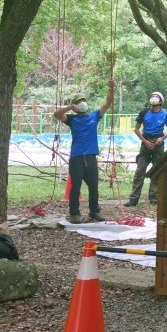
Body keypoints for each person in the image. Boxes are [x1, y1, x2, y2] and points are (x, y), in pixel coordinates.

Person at [53, 80, 115, 224]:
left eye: (83, 101)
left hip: (91, 156)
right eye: (78, 102)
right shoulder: (71, 119)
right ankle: (74, 213)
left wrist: (111, 87)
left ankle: (94, 211)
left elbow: (108, 102)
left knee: (94, 186)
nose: (82, 103)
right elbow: (57, 114)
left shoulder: (94, 116)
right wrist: (69, 107)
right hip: (77, 157)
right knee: (75, 187)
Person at [125, 92, 167, 207]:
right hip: (145, 141)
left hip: (158, 143)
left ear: (161, 102)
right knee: (140, 170)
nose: (154, 98)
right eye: (152, 96)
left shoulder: (164, 114)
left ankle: (154, 197)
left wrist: (162, 138)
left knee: (157, 170)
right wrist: (145, 141)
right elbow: (137, 129)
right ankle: (133, 199)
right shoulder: (144, 112)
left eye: (157, 97)